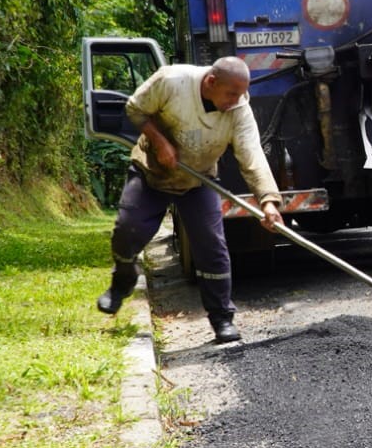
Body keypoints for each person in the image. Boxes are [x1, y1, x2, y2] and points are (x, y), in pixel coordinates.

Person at [96, 56, 283, 343]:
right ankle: (122, 282)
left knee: (212, 246)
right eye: (231, 93)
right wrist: (160, 142)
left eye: (241, 94)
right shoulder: (171, 81)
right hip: (151, 173)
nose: (236, 100)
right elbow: (135, 109)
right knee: (128, 230)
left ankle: (222, 318)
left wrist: (268, 201)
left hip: (198, 180)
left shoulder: (239, 108)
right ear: (211, 82)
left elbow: (252, 155)